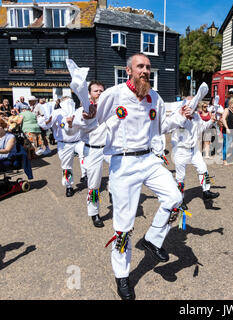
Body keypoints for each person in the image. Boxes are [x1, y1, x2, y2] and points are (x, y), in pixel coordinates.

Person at [78, 53, 190, 300]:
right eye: (140, 66)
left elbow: (161, 126)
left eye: (148, 67)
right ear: (128, 70)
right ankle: (122, 275)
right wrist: (86, 116)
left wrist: (181, 116)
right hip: (124, 162)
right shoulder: (115, 94)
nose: (145, 71)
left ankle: (152, 239)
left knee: (174, 198)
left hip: (149, 159)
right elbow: (92, 120)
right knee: (124, 226)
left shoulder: (155, 97)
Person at [68, 80, 109, 228]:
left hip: (110, 149)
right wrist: (83, 119)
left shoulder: (108, 108)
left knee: (122, 175)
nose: (99, 93)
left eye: (102, 91)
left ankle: (115, 198)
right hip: (92, 150)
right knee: (94, 184)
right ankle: (94, 213)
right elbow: (71, 131)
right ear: (89, 94)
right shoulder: (81, 111)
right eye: (96, 91)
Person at [170, 97, 220, 211]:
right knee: (180, 177)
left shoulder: (196, 116)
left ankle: (206, 191)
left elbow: (202, 127)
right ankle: (180, 200)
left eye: (195, 102)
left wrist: (211, 120)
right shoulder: (178, 115)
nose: (194, 104)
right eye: (191, 102)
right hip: (181, 150)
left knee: (203, 169)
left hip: (193, 150)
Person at [40, 96, 84, 197]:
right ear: (61, 103)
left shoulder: (77, 111)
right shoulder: (57, 112)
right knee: (66, 166)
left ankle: (85, 175)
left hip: (78, 141)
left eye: (71, 100)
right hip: (64, 143)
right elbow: (47, 125)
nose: (69, 102)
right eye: (66, 101)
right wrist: (46, 121)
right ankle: (69, 186)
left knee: (85, 156)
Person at [221, 97, 233, 167]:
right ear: (230, 103)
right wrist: (227, 128)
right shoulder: (227, 110)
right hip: (228, 131)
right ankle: (224, 160)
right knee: (227, 146)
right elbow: (223, 119)